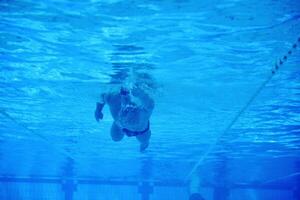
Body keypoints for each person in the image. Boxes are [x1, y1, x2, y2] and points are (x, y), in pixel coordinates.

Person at [94, 84, 154, 152]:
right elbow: (101, 97)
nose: (128, 107)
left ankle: (144, 147)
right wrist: (98, 110)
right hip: (119, 123)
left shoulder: (140, 111)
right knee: (115, 138)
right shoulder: (113, 99)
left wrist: (142, 95)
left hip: (139, 131)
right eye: (124, 94)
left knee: (144, 141)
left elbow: (150, 105)